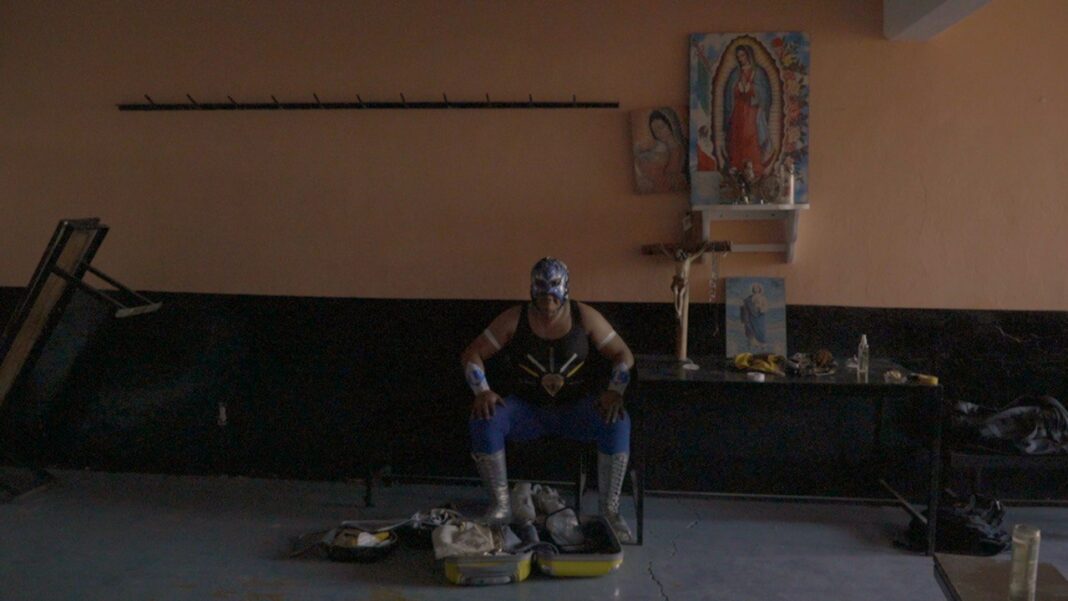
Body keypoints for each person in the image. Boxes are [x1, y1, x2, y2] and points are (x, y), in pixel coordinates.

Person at [461, 257, 636, 543]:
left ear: (565, 286)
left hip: (576, 410)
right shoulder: (514, 318)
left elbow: (623, 354)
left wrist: (615, 390)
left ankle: (610, 512)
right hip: (526, 411)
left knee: (617, 421)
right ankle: (501, 507)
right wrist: (482, 391)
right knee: (485, 418)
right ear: (531, 287)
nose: (547, 295)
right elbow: (473, 354)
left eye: (554, 286)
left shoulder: (584, 316)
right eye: (540, 287)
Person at [723, 44, 772, 178]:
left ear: (749, 55)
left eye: (743, 55)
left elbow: (765, 95)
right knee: (737, 137)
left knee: (750, 137)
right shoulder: (735, 73)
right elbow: (729, 94)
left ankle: (754, 169)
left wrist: (752, 89)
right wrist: (737, 88)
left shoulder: (758, 72)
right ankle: (737, 167)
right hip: (738, 111)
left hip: (752, 111)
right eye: (738, 56)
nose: (740, 59)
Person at [634, 109, 688, 193]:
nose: (659, 133)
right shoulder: (660, 148)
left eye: (661, 127)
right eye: (655, 131)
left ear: (670, 125)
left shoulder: (677, 148)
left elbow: (672, 175)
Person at [740, 282, 768, 349]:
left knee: (760, 330)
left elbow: (765, 307)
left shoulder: (763, 298)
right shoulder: (749, 298)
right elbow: (745, 306)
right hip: (751, 317)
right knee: (751, 329)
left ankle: (762, 343)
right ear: (753, 289)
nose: (756, 289)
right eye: (754, 288)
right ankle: (754, 343)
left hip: (760, 317)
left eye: (757, 288)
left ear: (759, 289)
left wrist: (760, 308)